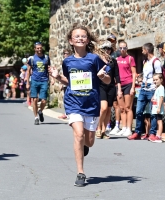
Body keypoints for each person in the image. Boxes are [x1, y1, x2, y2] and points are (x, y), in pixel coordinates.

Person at [48, 23, 111, 187]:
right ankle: (81, 173)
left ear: (87, 39)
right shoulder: (67, 61)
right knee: (78, 133)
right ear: (71, 40)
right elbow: (68, 81)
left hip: (91, 104)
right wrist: (56, 76)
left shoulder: (94, 59)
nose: (80, 38)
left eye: (83, 36)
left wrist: (103, 76)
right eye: (77, 36)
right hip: (73, 102)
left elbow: (108, 80)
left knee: (89, 141)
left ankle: (84, 146)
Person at [128, 43, 162, 140]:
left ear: (146, 50)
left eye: (143, 49)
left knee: (153, 113)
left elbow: (159, 77)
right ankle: (137, 132)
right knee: (139, 111)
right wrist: (140, 79)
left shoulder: (156, 62)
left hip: (152, 90)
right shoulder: (145, 61)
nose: (142, 51)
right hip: (143, 89)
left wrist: (155, 92)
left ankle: (152, 133)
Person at [95, 41, 121, 139]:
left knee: (109, 110)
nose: (107, 51)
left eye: (109, 49)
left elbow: (117, 76)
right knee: (104, 108)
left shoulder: (113, 61)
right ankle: (98, 127)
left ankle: (103, 131)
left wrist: (119, 89)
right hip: (101, 86)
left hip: (111, 87)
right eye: (105, 48)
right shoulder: (98, 60)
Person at [114, 41, 136, 137]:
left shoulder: (130, 58)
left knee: (128, 108)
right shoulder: (116, 59)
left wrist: (133, 87)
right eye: (121, 48)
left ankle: (129, 128)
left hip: (128, 83)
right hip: (119, 85)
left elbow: (134, 73)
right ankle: (123, 127)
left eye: (124, 48)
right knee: (121, 108)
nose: (122, 50)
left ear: (127, 48)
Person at [26, 42, 50, 125]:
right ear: (35, 49)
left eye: (40, 48)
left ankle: (40, 111)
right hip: (34, 80)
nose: (39, 49)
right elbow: (28, 70)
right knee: (35, 99)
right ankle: (36, 117)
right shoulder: (32, 59)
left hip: (44, 80)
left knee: (44, 100)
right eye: (37, 48)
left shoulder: (46, 58)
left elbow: (49, 69)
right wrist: (27, 83)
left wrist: (52, 79)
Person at [149, 73, 165, 143]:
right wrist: (153, 98)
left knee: (159, 121)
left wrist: (159, 107)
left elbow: (161, 97)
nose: (155, 81)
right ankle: (157, 135)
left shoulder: (161, 88)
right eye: (154, 80)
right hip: (155, 107)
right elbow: (156, 96)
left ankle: (159, 136)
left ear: (161, 80)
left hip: (158, 108)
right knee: (157, 121)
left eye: (156, 80)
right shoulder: (157, 88)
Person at [58, 49, 72, 119]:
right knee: (65, 98)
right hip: (64, 83)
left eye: (67, 53)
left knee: (71, 98)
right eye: (65, 53)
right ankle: (67, 113)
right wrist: (60, 83)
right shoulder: (63, 62)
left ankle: (70, 113)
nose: (66, 55)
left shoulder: (72, 62)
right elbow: (61, 74)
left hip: (71, 83)